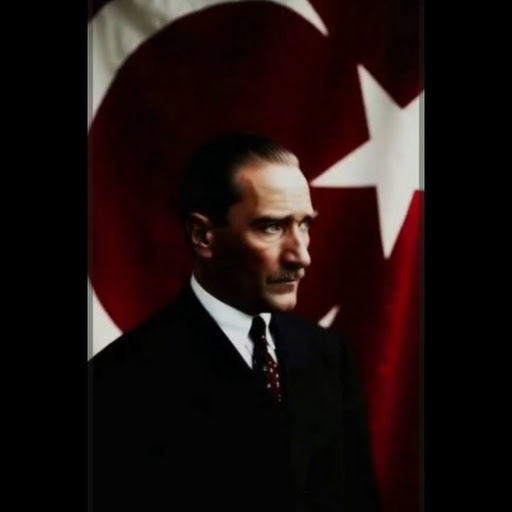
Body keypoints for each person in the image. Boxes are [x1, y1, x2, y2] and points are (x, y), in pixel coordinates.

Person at [89, 133, 381, 511]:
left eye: (304, 224)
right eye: (271, 227)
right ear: (203, 236)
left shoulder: (328, 355)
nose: (301, 256)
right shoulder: (119, 380)